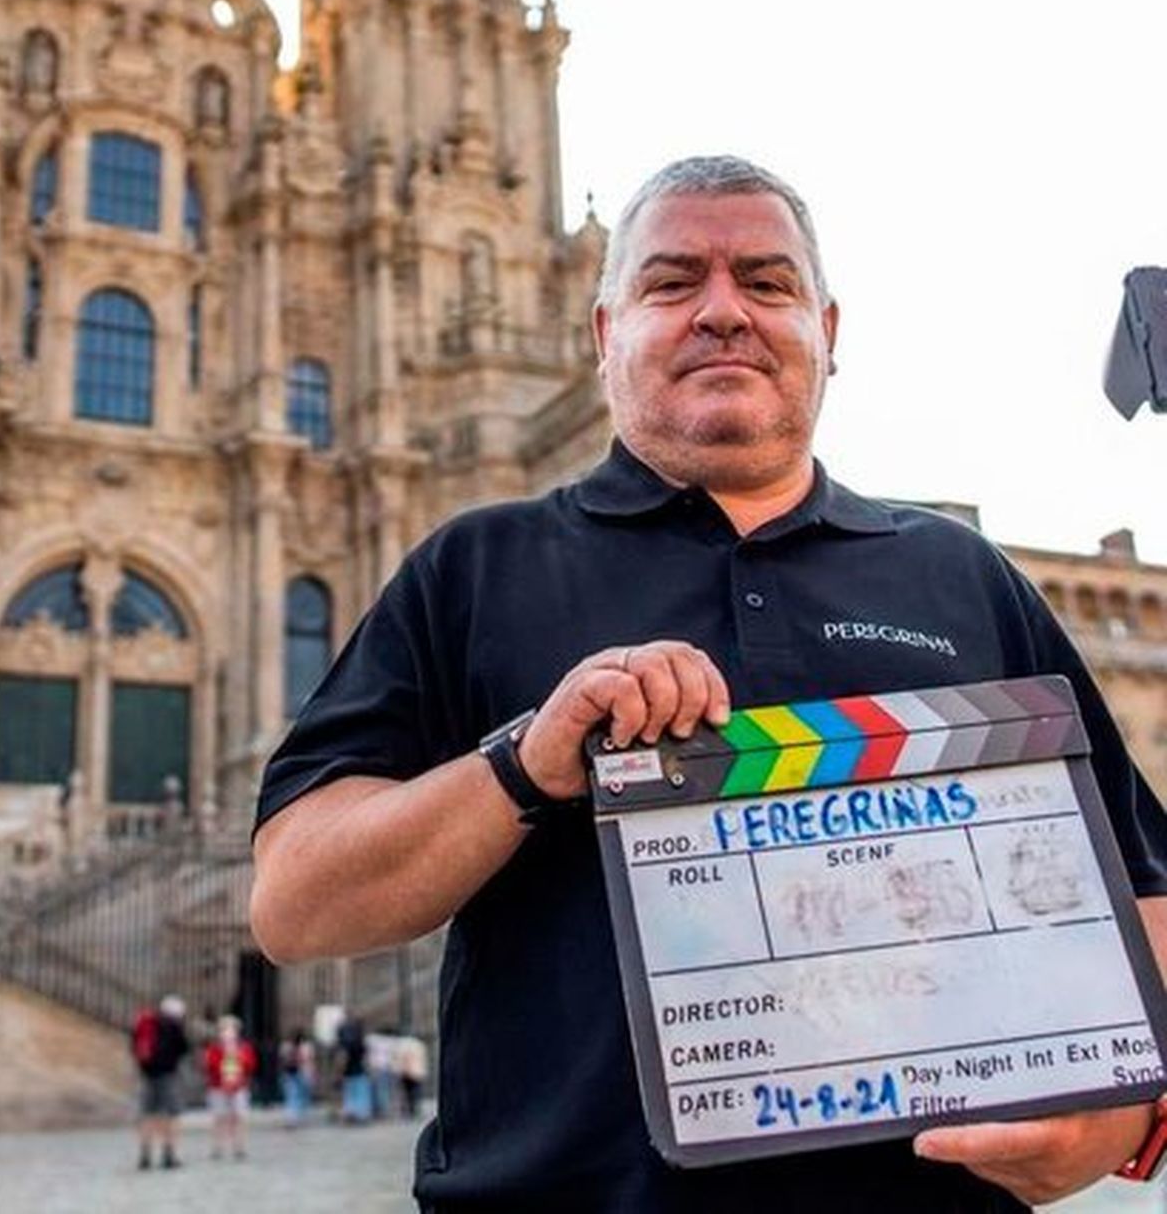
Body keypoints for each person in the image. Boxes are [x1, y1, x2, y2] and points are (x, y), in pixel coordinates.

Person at [251, 155, 1167, 1212]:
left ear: (828, 332)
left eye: (767, 284)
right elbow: (291, 902)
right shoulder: (473, 567)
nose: (723, 311)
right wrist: (521, 763)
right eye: (672, 282)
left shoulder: (962, 573)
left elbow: (1139, 883)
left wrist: (1132, 1112)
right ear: (604, 335)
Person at [134, 994, 189, 1170]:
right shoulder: (174, 1026)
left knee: (146, 1114)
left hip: (147, 1074)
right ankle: (169, 1153)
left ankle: (145, 1155)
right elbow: (184, 1048)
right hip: (168, 1075)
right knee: (171, 1115)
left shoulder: (146, 1023)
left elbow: (134, 1046)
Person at [204, 1013, 257, 1160]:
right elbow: (210, 1066)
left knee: (239, 1117)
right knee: (219, 1117)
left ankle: (239, 1146)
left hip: (239, 1087)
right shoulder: (214, 1048)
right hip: (218, 1087)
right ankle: (217, 1147)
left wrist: (238, 1057)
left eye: (231, 1028)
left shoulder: (244, 1048)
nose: (228, 1032)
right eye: (224, 1029)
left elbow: (251, 1065)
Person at [334, 1011, 372, 1124]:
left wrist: (338, 1072)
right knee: (360, 1093)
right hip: (359, 1071)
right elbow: (366, 1058)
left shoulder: (345, 1042)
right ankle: (361, 1114)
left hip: (349, 1072)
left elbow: (342, 1058)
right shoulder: (361, 1041)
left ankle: (351, 1114)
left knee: (350, 1094)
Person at [279, 1026, 317, 1126]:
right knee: (301, 1095)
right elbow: (310, 1060)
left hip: (291, 1073)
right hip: (302, 1072)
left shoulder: (286, 1046)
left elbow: (282, 1060)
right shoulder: (307, 1046)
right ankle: (298, 1116)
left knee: (292, 1096)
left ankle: (293, 1117)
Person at [396, 1033, 429, 1120]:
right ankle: (414, 1109)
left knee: (408, 1093)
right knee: (415, 1092)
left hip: (407, 1072)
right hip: (416, 1072)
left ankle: (410, 1110)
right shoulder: (419, 1045)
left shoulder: (403, 1046)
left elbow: (401, 1059)